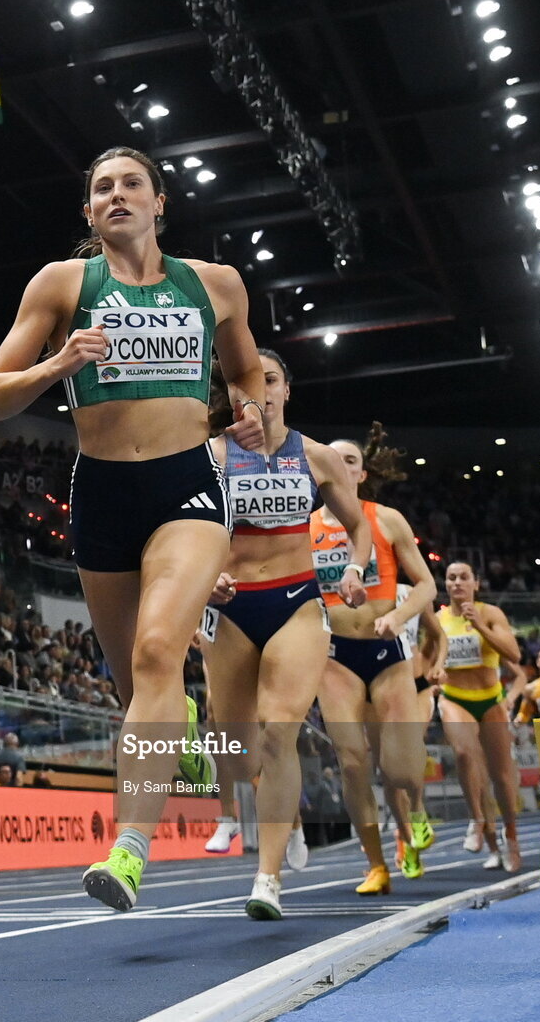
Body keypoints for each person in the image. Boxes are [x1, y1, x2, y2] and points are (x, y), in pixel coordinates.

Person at [0, 145, 265, 912]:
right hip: (101, 489)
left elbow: (245, 373)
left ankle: (129, 850)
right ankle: (188, 722)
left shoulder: (215, 284)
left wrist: (247, 408)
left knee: (158, 649)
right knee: (130, 682)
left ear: (158, 201)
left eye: (130, 184)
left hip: (186, 486)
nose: (116, 195)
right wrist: (59, 362)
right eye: (101, 188)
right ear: (88, 212)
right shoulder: (63, 284)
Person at [199, 349, 370, 919]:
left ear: (286, 390)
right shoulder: (213, 456)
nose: (261, 391)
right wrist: (207, 575)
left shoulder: (317, 457)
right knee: (240, 749)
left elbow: (357, 527)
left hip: (297, 602)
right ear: (234, 394)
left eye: (270, 380)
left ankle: (266, 878)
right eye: (250, 382)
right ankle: (288, 819)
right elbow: (181, 531)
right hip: (229, 608)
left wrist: (352, 567)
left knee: (279, 732)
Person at [310, 423, 438, 893]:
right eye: (334, 460)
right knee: (352, 762)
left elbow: (426, 584)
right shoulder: (306, 527)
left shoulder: (387, 520)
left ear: (362, 475)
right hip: (336, 657)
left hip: (388, 652)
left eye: (351, 461)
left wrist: (399, 616)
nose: (341, 467)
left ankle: (417, 809)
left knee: (400, 768)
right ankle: (377, 865)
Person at [437, 562, 523, 872]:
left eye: (463, 577)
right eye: (451, 578)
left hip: (489, 700)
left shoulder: (490, 614)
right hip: (455, 698)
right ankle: (477, 820)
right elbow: (425, 659)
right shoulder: (439, 620)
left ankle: (510, 836)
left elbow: (514, 656)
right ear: (445, 585)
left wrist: (481, 627)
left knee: (500, 778)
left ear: (476, 583)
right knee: (463, 754)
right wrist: (431, 674)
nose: (457, 582)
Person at [370, 582, 447, 871]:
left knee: (410, 748)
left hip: (418, 685)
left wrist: (438, 665)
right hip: (383, 682)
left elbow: (439, 635)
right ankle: (405, 838)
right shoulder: (362, 589)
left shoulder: (413, 591)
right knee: (389, 772)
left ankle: (417, 812)